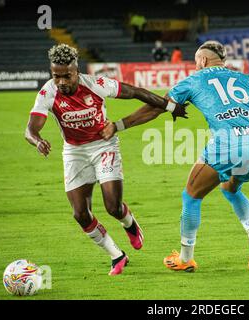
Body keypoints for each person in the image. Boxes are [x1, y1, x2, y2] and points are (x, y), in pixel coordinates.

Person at [100, 41, 249, 272]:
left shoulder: (194, 80)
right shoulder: (246, 79)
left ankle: (186, 257)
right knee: (230, 189)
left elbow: (157, 106)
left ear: (203, 60)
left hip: (226, 145)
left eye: (196, 61)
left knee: (191, 196)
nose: (196, 65)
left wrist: (119, 125)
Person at [25, 44, 186, 276]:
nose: (61, 81)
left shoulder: (96, 84)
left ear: (76, 71)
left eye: (66, 76)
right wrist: (37, 140)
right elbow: (30, 129)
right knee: (80, 213)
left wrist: (170, 106)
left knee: (112, 206)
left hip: (104, 145)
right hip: (74, 152)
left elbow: (136, 92)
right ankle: (116, 255)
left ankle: (130, 224)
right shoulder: (48, 92)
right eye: (56, 76)